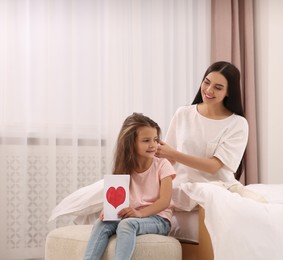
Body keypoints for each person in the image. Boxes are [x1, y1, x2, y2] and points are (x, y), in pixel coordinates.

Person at [156, 61, 266, 204]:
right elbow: (167, 158)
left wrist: (173, 153)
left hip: (218, 190)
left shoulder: (237, 124)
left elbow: (213, 166)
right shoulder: (183, 114)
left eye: (218, 87)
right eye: (206, 82)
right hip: (183, 188)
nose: (208, 90)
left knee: (259, 206)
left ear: (228, 92)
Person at [83, 113, 176, 260]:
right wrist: (108, 211)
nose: (153, 145)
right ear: (131, 143)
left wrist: (140, 213)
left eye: (155, 139)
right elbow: (117, 198)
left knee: (127, 225)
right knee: (102, 223)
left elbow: (164, 201)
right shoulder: (124, 167)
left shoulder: (163, 165)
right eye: (146, 140)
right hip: (131, 214)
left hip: (159, 219)